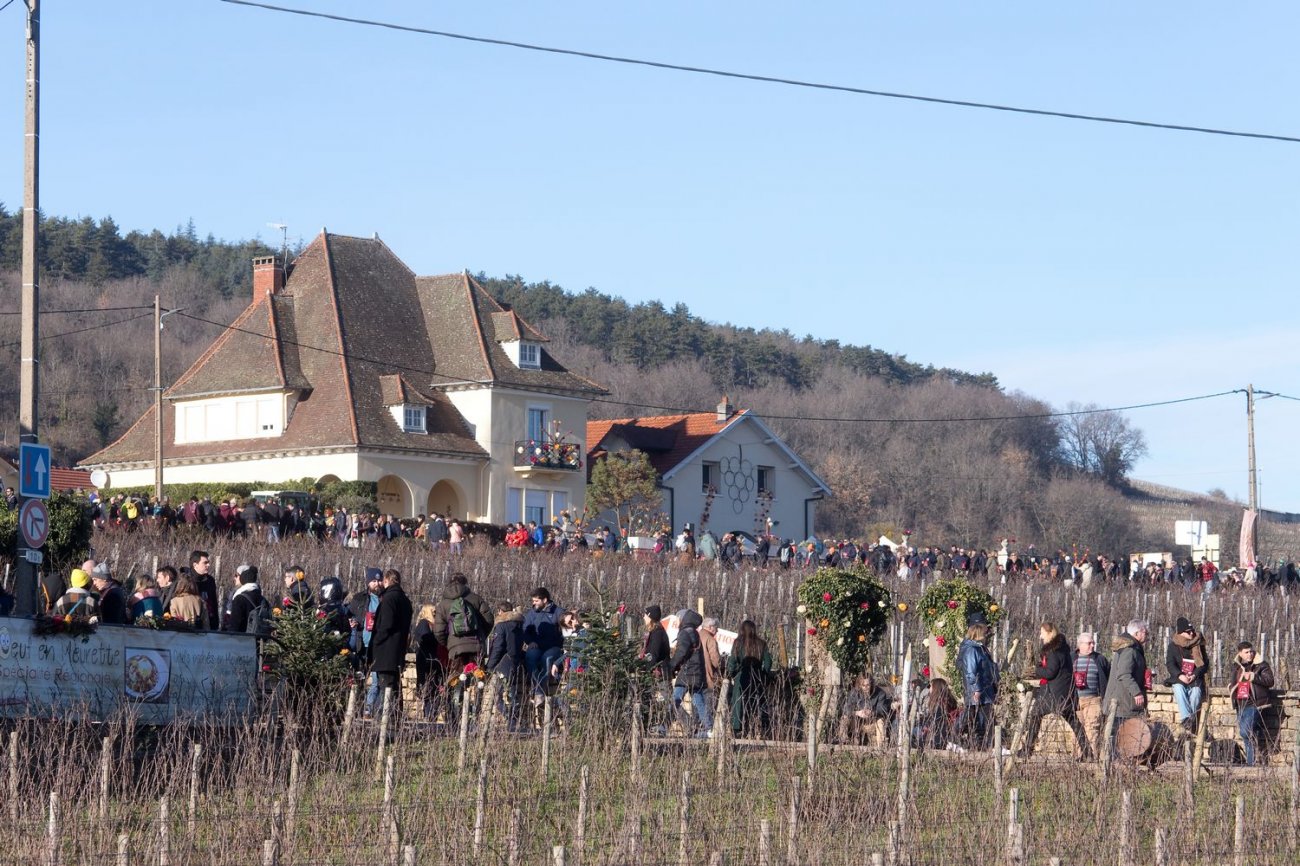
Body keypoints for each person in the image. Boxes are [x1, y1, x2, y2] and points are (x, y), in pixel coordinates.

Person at [1018, 623, 1090, 759]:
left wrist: (1036, 669)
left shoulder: (1053, 651)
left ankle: (1027, 749)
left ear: (1049, 633)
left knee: (1035, 716)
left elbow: (1050, 672)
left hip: (1053, 693)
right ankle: (1088, 752)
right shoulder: (1062, 649)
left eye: (1042, 633)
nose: (1040, 636)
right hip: (1064, 692)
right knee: (1074, 722)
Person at [370, 569, 413, 712]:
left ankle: (382, 721)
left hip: (386, 651)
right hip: (398, 649)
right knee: (394, 687)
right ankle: (394, 719)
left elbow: (386, 624)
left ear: (387, 580)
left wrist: (377, 640)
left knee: (386, 688)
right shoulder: (405, 600)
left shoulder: (389, 598)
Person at [434, 572, 491, 675]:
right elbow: (488, 620)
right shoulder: (476, 599)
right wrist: (481, 635)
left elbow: (438, 631)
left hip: (456, 648)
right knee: (478, 679)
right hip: (476, 645)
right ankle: (476, 690)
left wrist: (448, 644)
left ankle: (458, 690)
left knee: (458, 680)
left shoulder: (443, 604)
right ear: (465, 583)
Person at [1230, 641, 1275, 766]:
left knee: (1245, 731)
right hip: (1240, 703)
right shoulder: (1236, 666)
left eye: (1251, 651)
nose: (1250, 654)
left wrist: (1254, 677)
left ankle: (1252, 762)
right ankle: (1252, 763)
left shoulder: (1261, 665)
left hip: (1256, 703)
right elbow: (1233, 681)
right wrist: (1231, 689)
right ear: (1240, 653)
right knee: (1249, 733)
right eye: (1246, 652)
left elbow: (1270, 681)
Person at [669, 610, 712, 737]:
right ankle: (709, 728)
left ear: (683, 619)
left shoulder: (685, 633)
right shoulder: (693, 632)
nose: (676, 621)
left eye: (677, 618)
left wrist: (671, 666)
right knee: (698, 701)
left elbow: (681, 652)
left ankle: (665, 725)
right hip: (696, 672)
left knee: (675, 700)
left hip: (688, 673)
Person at [727, 619, 772, 737]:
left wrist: (732, 674)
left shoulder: (738, 642)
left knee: (739, 702)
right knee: (755, 702)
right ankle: (756, 727)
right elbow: (768, 662)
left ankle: (737, 728)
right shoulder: (761, 643)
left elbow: (732, 661)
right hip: (757, 676)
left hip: (742, 676)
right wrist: (764, 675)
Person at [956, 622, 998, 748]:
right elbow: (971, 671)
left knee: (982, 718)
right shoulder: (972, 650)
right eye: (985, 633)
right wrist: (976, 689)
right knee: (974, 716)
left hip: (985, 690)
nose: (986, 635)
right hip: (979, 690)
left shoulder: (980, 649)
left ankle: (985, 744)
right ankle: (955, 737)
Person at [349, 568, 384, 717]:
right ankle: (357, 708)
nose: (377, 584)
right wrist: (352, 623)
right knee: (359, 678)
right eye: (373, 581)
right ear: (368, 582)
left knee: (376, 679)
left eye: (379, 580)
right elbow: (349, 616)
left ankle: (369, 708)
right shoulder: (359, 599)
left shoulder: (385, 599)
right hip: (361, 644)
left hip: (378, 646)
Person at [487, 602, 526, 730]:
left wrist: (490, 666)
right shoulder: (519, 626)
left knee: (497, 696)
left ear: (500, 612)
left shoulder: (501, 626)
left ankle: (510, 719)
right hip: (516, 663)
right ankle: (514, 720)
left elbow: (498, 647)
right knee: (513, 694)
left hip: (503, 663)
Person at [1166, 617, 1208, 737]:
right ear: (1181, 633)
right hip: (1180, 678)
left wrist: (1194, 675)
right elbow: (1170, 663)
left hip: (1195, 678)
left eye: (1192, 631)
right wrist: (1180, 675)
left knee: (1196, 693)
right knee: (1178, 689)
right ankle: (1187, 719)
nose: (1191, 633)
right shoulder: (1173, 646)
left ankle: (1189, 721)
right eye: (1188, 632)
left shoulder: (1199, 644)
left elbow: (1204, 664)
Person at [522, 587, 564, 704]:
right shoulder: (532, 613)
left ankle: (540, 691)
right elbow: (525, 630)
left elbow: (564, 629)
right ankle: (536, 689)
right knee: (531, 656)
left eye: (536, 601)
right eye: (533, 601)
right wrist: (530, 641)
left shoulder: (558, 612)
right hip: (537, 645)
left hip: (553, 646)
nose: (533, 603)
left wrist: (560, 644)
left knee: (547, 659)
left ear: (545, 600)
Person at [1072, 632, 1110, 760]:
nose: (1092, 645)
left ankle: (1091, 756)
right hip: (1075, 700)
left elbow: (1108, 677)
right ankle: (1079, 756)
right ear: (1080, 645)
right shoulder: (1071, 658)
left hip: (1094, 699)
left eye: (1093, 643)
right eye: (1089, 643)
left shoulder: (1100, 659)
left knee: (1092, 728)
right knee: (1077, 730)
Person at [1104, 619, 1151, 721]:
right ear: (1137, 633)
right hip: (1123, 705)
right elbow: (1124, 674)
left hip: (1125, 703)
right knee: (1121, 735)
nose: (1147, 636)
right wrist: (1137, 693)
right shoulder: (1129, 650)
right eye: (1145, 633)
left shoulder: (1132, 648)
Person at [836, 673, 894, 746]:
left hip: (873, 723)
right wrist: (857, 713)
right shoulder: (854, 693)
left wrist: (872, 712)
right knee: (845, 717)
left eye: (868, 685)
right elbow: (845, 709)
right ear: (860, 685)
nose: (866, 687)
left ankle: (881, 747)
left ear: (872, 684)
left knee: (880, 721)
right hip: (858, 722)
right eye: (863, 685)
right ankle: (843, 743)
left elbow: (883, 709)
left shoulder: (880, 693)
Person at [912, 678, 958, 750]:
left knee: (911, 733)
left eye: (930, 686)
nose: (929, 689)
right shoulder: (948, 701)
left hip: (937, 739)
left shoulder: (939, 705)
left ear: (935, 688)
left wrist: (923, 722)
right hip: (945, 736)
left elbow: (934, 724)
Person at [412, 604, 440, 719]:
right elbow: (424, 639)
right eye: (433, 611)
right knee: (428, 687)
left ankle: (430, 713)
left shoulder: (432, 625)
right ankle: (429, 714)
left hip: (432, 659)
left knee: (433, 687)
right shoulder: (424, 624)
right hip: (426, 659)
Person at [223, 565, 265, 633]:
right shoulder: (261, 597)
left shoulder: (239, 599)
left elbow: (234, 625)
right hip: (257, 638)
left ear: (242, 579)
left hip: (242, 639)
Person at [188, 550, 221, 630]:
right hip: (191, 624)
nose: (208, 565)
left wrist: (215, 623)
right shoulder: (187, 581)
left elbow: (214, 602)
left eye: (208, 562)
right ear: (195, 565)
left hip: (209, 623)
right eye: (205, 563)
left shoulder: (210, 580)